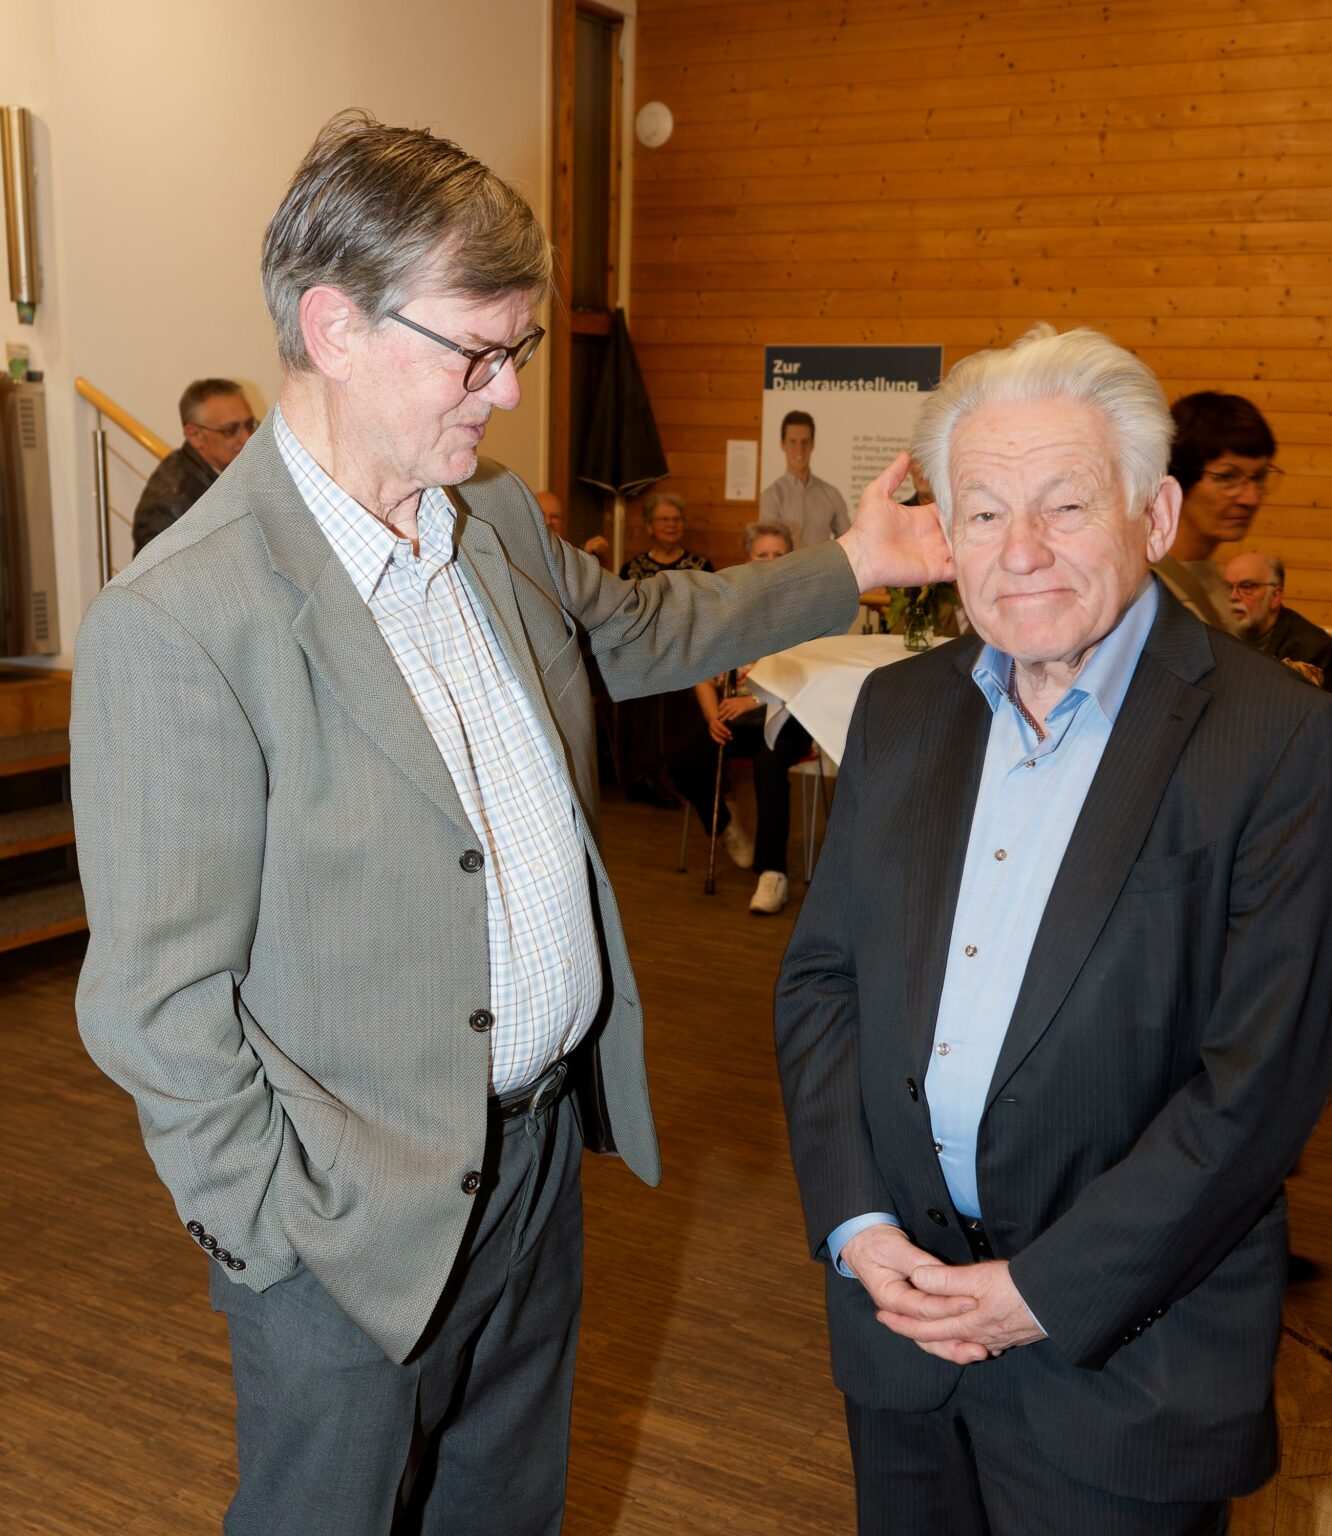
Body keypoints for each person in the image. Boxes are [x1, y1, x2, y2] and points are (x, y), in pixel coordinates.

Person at [70, 111, 949, 1536]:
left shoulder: (489, 517)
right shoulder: (181, 618)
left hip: (537, 1160)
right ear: (335, 327)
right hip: (346, 1219)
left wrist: (856, 559)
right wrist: (277, 1237)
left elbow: (642, 629)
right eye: (478, 353)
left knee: (505, 1511)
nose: (509, 391)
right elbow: (155, 1005)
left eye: (518, 348)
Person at [776, 325, 1332, 1536]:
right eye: (984, 513)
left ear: (1155, 514)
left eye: (1065, 505)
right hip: (900, 1330)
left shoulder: (1280, 739)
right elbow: (825, 982)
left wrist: (1042, 1289)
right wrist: (858, 1223)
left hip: (1126, 1366)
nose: (1022, 552)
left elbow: (1261, 1086)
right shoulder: (900, 709)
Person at [668, 518, 811, 914]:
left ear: (791, 557)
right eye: (762, 554)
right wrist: (712, 715)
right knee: (682, 759)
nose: (770, 561)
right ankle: (726, 826)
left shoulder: (805, 607)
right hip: (734, 716)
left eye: (779, 554)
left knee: (769, 763)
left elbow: (807, 675)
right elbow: (703, 670)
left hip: (788, 714)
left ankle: (772, 873)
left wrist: (755, 701)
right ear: (748, 559)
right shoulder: (729, 606)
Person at [618, 490, 715, 807]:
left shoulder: (701, 566)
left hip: (688, 650)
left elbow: (711, 613)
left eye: (676, 519)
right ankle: (645, 774)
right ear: (649, 526)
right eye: (663, 519)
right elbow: (623, 614)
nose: (670, 525)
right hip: (644, 652)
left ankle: (678, 771)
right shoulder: (631, 568)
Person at [1154, 391, 1279, 632]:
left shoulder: (1208, 575)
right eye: (1227, 478)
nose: (1251, 498)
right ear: (1180, 479)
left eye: (1259, 477)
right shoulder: (1148, 590)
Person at [131, 377, 256, 553]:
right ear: (195, 435)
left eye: (250, 425)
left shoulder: (239, 468)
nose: (247, 438)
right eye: (230, 430)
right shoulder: (169, 506)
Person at [1225, 551, 1332, 694]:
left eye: (1247, 586)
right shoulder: (1216, 632)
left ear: (1275, 596)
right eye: (1227, 587)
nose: (1233, 596)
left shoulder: (1314, 647)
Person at [761, 409, 851, 547]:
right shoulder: (771, 497)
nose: (800, 449)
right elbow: (769, 549)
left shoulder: (831, 494)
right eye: (793, 442)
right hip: (786, 563)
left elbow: (848, 543)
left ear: (813, 444)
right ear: (782, 444)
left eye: (805, 442)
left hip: (823, 562)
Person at [535, 487, 609, 560]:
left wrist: (585, 555)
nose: (548, 522)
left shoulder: (567, 553)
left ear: (564, 523)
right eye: (542, 515)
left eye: (555, 517)